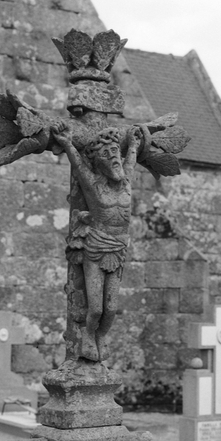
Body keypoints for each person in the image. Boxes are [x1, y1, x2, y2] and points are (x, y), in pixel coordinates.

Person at [51, 121, 141, 361]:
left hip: (118, 249)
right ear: (99, 163)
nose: (114, 158)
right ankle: (88, 336)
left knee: (111, 309)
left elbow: (130, 160)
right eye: (106, 155)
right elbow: (79, 166)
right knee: (97, 308)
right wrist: (68, 143)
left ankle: (101, 336)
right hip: (96, 248)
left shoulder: (126, 183)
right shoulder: (94, 186)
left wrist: (133, 144)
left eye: (115, 153)